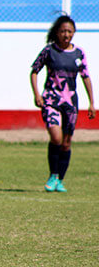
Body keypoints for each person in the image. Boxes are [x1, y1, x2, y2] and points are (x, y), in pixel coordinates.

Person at [30, 14, 95, 192]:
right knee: (56, 137)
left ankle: (60, 180)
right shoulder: (49, 51)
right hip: (51, 100)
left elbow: (86, 77)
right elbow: (34, 71)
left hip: (70, 103)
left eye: (69, 31)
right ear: (57, 33)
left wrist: (91, 102)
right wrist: (37, 94)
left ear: (74, 32)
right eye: (63, 31)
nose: (66, 35)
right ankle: (52, 175)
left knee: (66, 143)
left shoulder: (78, 53)